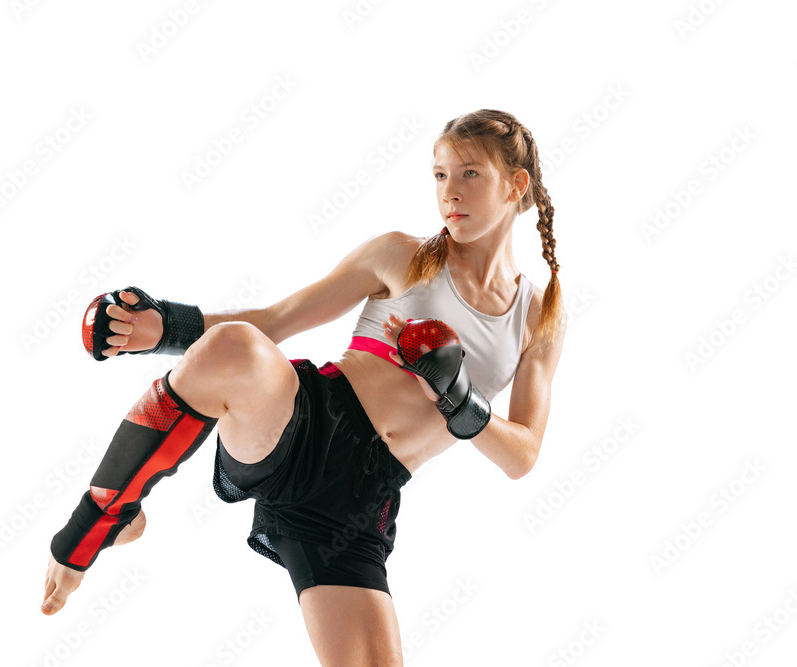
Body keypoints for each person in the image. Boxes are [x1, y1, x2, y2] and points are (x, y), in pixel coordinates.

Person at [41, 108, 566, 667]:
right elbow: (276, 318)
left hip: (355, 505)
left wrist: (456, 395)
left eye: (469, 175)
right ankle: (103, 518)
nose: (449, 193)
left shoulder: (539, 317)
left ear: (517, 184)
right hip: (305, 419)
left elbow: (523, 455)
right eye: (439, 175)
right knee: (237, 347)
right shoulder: (401, 254)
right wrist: (166, 326)